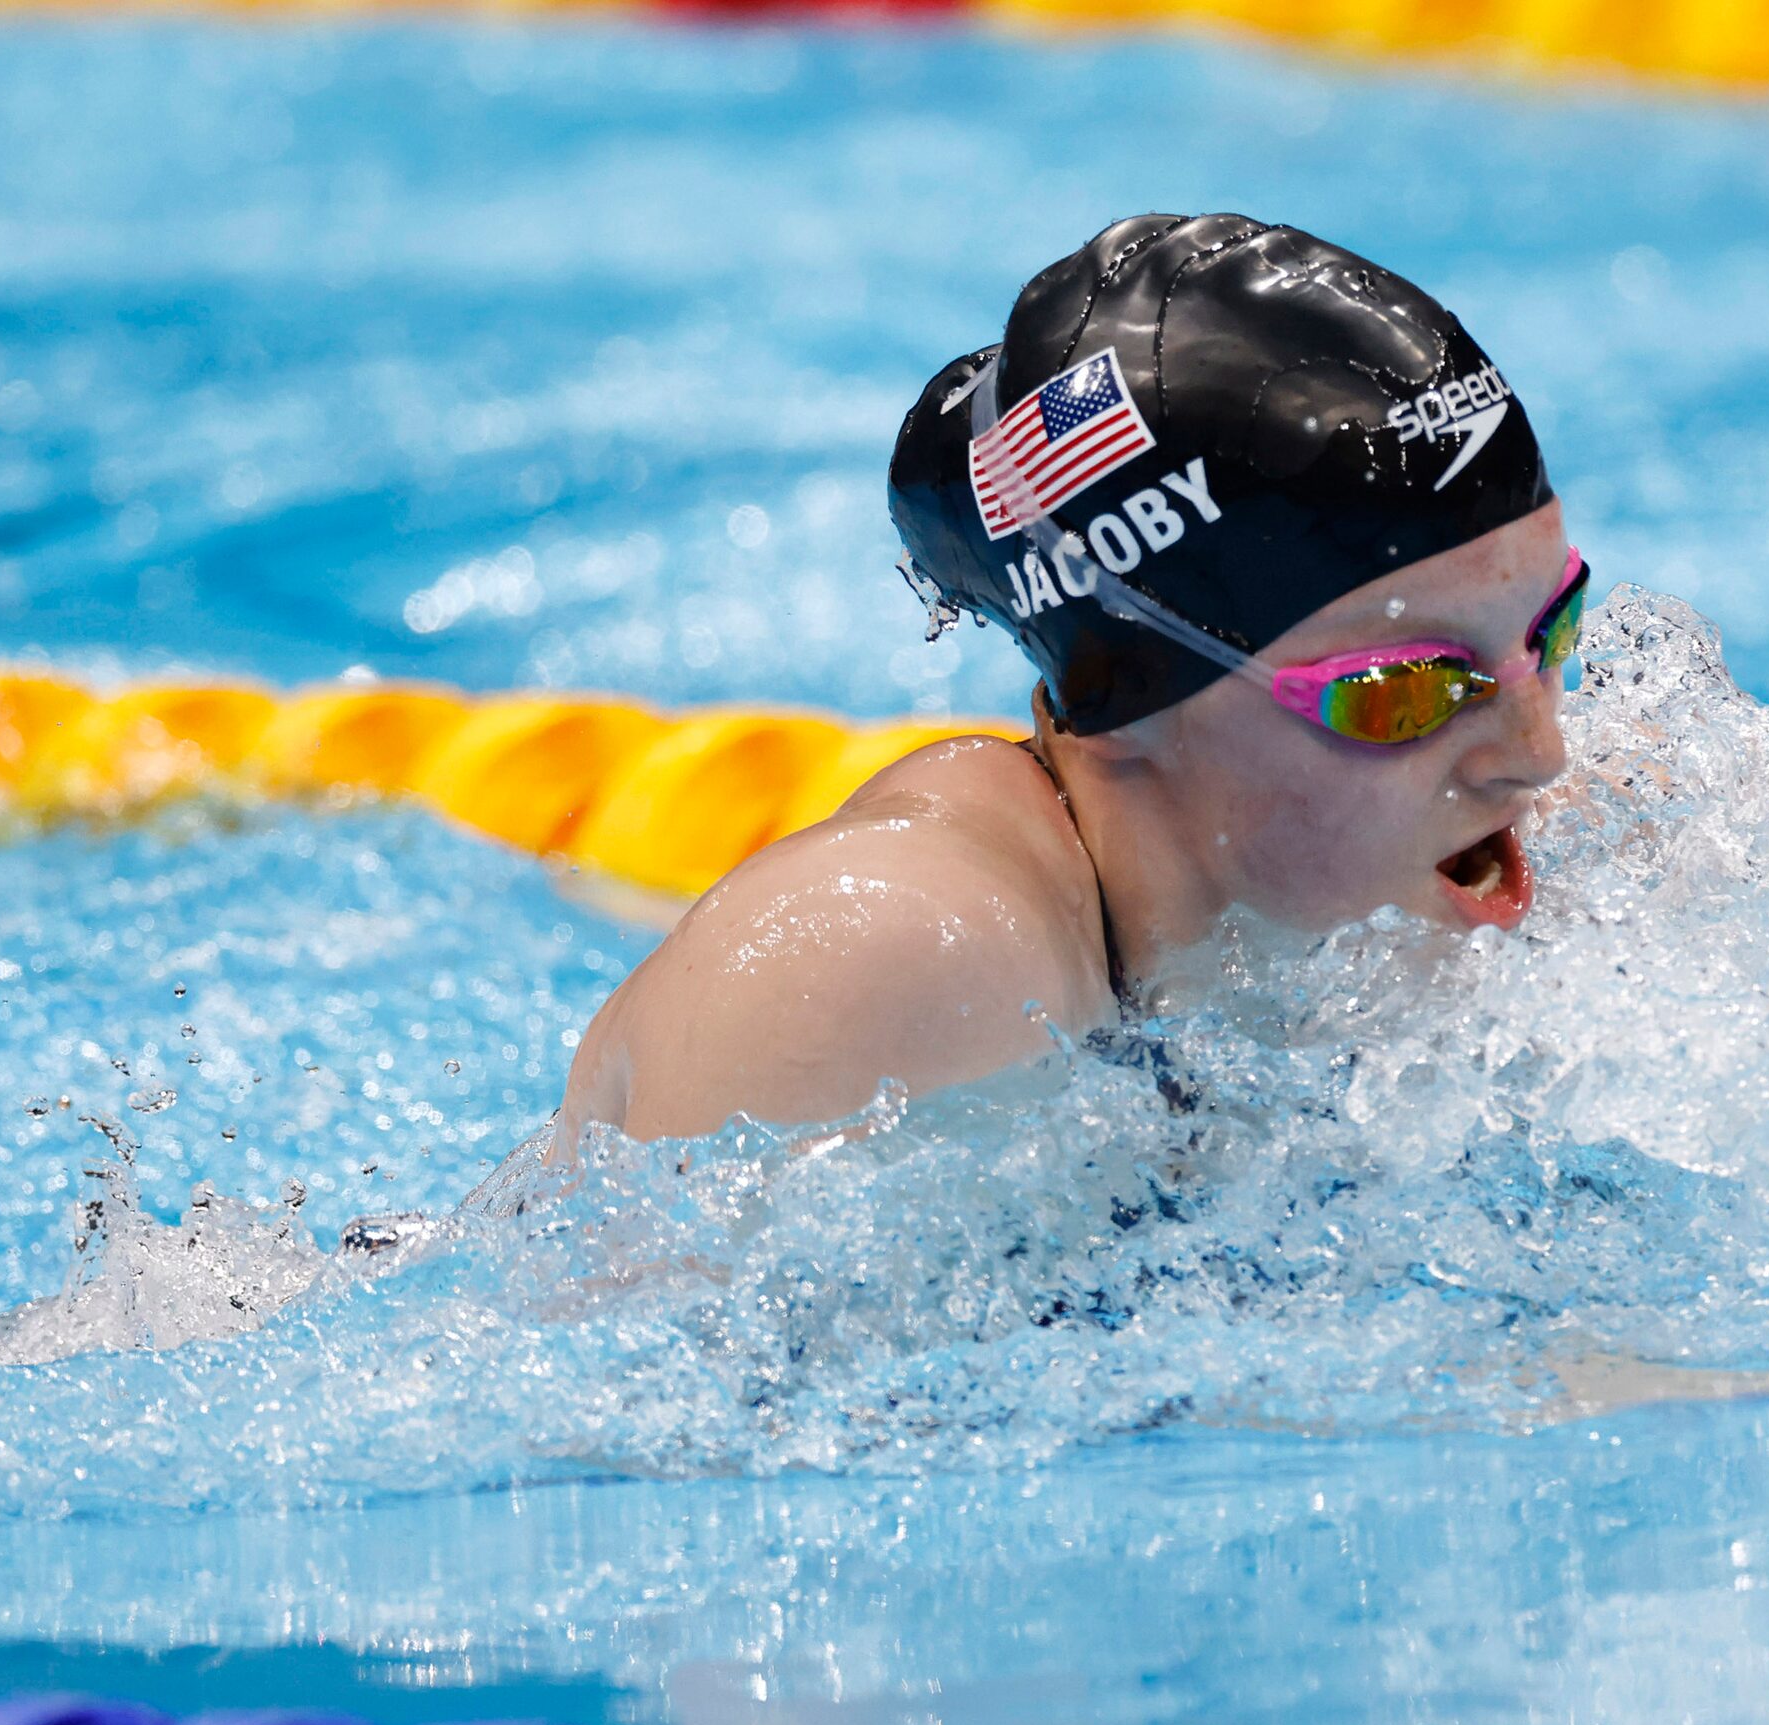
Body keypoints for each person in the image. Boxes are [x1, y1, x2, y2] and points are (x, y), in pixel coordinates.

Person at [555, 213, 1580, 1149]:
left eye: (1550, 633)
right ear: (1133, 694)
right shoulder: (886, 956)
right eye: (1406, 692)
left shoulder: (1577, 846)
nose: (1539, 755)